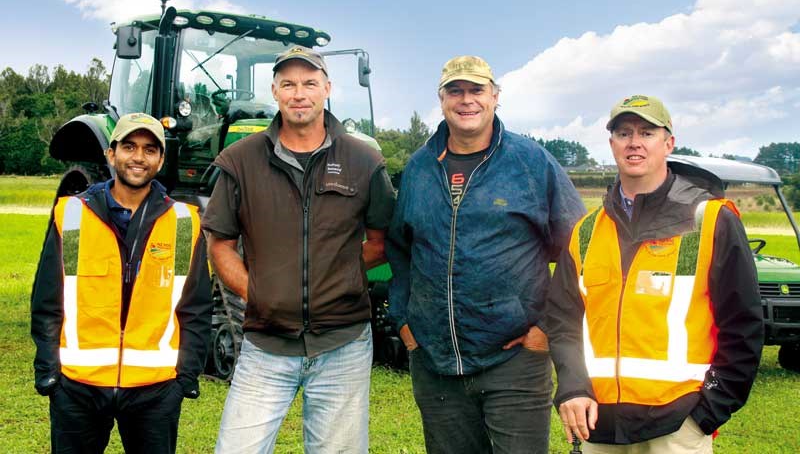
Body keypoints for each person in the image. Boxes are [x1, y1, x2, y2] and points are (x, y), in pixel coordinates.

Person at [386, 55, 586, 454]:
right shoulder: (420, 168)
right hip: (435, 362)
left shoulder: (531, 163)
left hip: (514, 358)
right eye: (455, 91)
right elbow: (400, 250)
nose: (466, 100)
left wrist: (546, 328)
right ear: (441, 100)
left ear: (495, 97)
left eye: (476, 90)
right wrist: (405, 321)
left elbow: (580, 250)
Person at [204, 45, 396, 453]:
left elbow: (380, 243)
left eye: (310, 83)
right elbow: (220, 243)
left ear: (327, 88)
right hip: (265, 345)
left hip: (343, 344)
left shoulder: (365, 161)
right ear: (274, 91)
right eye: (288, 84)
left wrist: (338, 276)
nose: (299, 93)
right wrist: (257, 293)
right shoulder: (240, 160)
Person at [547, 95, 764, 453]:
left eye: (647, 132)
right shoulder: (585, 232)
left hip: (677, 427)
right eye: (623, 132)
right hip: (599, 426)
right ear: (612, 144)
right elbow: (562, 320)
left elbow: (744, 326)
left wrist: (708, 412)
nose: (634, 142)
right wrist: (572, 388)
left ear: (669, 143)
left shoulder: (711, 221)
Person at [31, 112, 212, 454]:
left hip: (155, 390)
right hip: (77, 387)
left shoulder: (184, 222)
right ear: (110, 154)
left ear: (160, 159)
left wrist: (185, 377)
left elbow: (197, 307)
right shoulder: (71, 215)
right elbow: (47, 299)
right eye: (129, 146)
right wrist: (49, 370)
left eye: (149, 149)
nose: (138, 157)